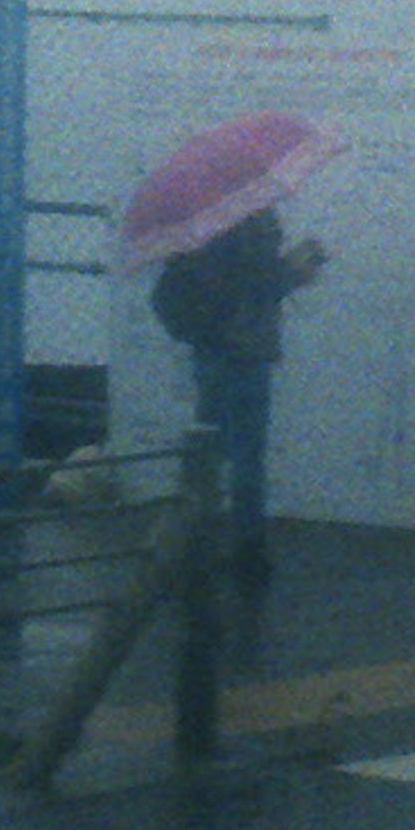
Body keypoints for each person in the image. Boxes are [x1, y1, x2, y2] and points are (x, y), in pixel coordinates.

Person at [155, 206, 325, 580]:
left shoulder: (200, 218)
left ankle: (195, 541)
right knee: (248, 457)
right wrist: (296, 270)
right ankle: (248, 550)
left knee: (208, 450)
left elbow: (227, 282)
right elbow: (257, 285)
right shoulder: (251, 219)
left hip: (209, 350)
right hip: (244, 354)